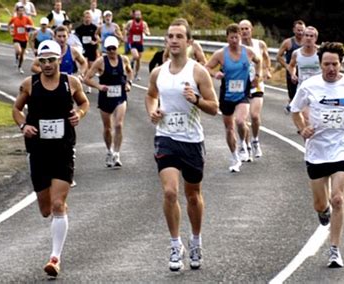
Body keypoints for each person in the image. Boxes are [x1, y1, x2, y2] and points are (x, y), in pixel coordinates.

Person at [145, 19, 218, 271]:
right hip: (165, 138)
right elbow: (151, 95)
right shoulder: (158, 72)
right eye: (170, 36)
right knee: (169, 192)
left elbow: (214, 107)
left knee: (193, 195)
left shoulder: (198, 72)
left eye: (179, 36)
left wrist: (196, 99)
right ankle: (175, 244)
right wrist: (153, 111)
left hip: (192, 141)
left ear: (188, 42)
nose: (174, 40)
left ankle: (196, 240)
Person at [12, 40, 89, 277]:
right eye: (43, 60)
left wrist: (79, 114)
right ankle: (59, 209)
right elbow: (15, 109)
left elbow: (84, 103)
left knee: (57, 205)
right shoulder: (30, 84)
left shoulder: (71, 82)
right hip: (38, 150)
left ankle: (55, 258)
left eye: (51, 60)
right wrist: (24, 125)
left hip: (64, 149)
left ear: (59, 58)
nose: (47, 65)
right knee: (46, 209)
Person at [290, 42, 344, 268]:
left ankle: (334, 249)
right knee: (321, 204)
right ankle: (323, 211)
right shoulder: (309, 85)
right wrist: (302, 128)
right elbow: (295, 110)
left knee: (338, 199)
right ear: (320, 64)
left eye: (334, 64)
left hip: (343, 148)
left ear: (340, 64)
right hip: (317, 151)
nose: (331, 68)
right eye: (326, 64)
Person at [205, 23, 261, 172]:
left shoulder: (248, 52)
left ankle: (243, 144)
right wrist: (215, 74)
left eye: (237, 37)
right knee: (229, 128)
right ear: (227, 38)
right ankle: (234, 157)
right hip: (226, 95)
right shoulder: (220, 54)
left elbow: (259, 61)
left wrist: (258, 76)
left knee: (241, 121)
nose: (234, 40)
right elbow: (207, 67)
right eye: (231, 38)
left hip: (243, 94)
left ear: (240, 37)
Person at [84, 36, 132, 167]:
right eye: (108, 49)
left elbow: (129, 71)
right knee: (107, 128)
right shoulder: (100, 62)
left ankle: (117, 154)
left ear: (117, 48)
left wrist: (128, 83)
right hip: (105, 97)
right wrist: (99, 87)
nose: (111, 51)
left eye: (113, 48)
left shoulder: (124, 60)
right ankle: (109, 151)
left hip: (120, 96)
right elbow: (87, 78)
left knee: (119, 125)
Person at [239, 19, 272, 160]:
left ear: (251, 29)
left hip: (257, 83)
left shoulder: (260, 44)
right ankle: (245, 145)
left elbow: (266, 58)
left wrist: (267, 70)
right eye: (242, 29)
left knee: (254, 116)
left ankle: (255, 140)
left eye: (247, 28)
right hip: (241, 85)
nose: (244, 31)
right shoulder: (236, 47)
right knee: (242, 119)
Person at [288, 26, 321, 125]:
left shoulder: (321, 52)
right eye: (306, 35)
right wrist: (293, 74)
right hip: (303, 89)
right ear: (303, 37)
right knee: (306, 117)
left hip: (318, 90)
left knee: (317, 118)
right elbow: (291, 66)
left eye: (311, 36)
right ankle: (307, 136)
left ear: (315, 38)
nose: (309, 38)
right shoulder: (297, 53)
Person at [276, 20, 305, 113]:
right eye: (298, 30)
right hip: (291, 70)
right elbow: (279, 56)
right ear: (294, 30)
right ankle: (291, 103)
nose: (300, 32)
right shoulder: (288, 42)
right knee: (293, 93)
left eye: (302, 30)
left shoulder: (307, 41)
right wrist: (287, 66)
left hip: (304, 71)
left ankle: (299, 109)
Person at [75, 10, 99, 93]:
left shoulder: (95, 28)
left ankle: (88, 83)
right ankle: (83, 83)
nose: (87, 19)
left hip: (92, 49)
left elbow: (98, 39)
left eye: (89, 17)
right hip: (83, 50)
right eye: (86, 17)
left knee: (91, 67)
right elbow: (75, 39)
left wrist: (95, 42)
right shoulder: (79, 29)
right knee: (84, 65)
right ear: (83, 18)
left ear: (91, 18)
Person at [8, 4, 34, 74]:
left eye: (22, 11)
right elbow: (9, 24)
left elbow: (32, 26)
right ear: (17, 12)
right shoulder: (14, 19)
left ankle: (20, 67)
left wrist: (28, 27)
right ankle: (16, 56)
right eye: (19, 11)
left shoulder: (27, 19)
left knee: (22, 55)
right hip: (16, 37)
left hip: (24, 39)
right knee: (18, 51)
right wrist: (10, 31)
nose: (21, 12)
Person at [125, 9, 150, 80]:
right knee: (136, 56)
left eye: (139, 15)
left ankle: (136, 74)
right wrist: (126, 35)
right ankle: (132, 61)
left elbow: (148, 32)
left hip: (140, 43)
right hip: (132, 42)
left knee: (139, 59)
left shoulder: (144, 23)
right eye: (136, 15)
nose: (138, 16)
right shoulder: (130, 22)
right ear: (134, 16)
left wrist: (146, 32)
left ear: (141, 15)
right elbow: (125, 29)